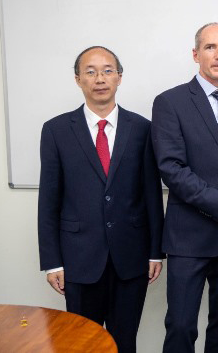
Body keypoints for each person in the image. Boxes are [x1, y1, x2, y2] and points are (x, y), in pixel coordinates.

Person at [38, 46, 164, 353]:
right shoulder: (56, 130)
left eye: (108, 70)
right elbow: (49, 201)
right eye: (90, 71)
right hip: (78, 258)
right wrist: (52, 261)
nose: (100, 78)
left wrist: (155, 253)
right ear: (78, 79)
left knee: (124, 343)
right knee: (80, 345)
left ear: (119, 78)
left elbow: (152, 194)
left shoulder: (143, 129)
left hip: (130, 258)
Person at [151, 23, 218, 353]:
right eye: (210, 47)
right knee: (182, 326)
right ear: (195, 54)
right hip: (190, 236)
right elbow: (171, 168)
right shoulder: (170, 102)